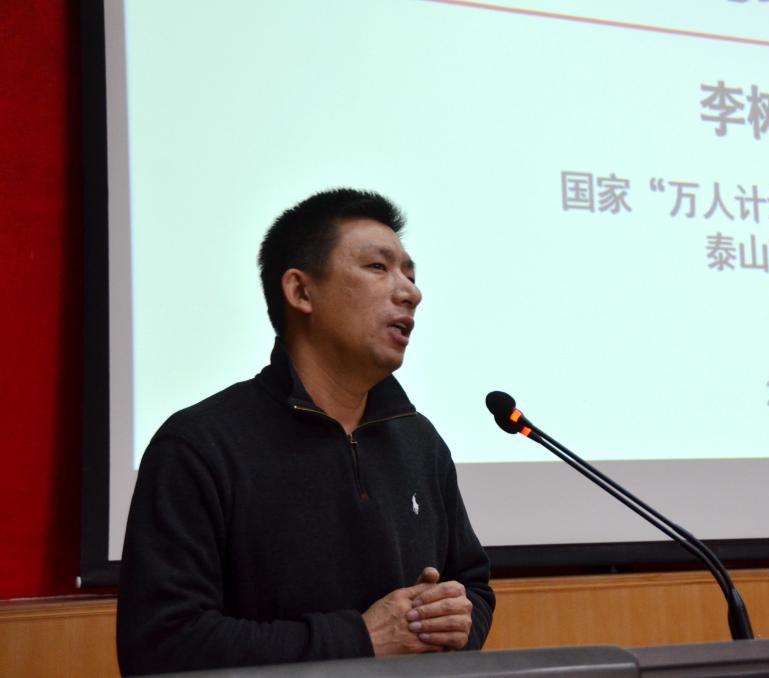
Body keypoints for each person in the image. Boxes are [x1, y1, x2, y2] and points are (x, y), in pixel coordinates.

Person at [116, 189, 495, 675]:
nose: (410, 293)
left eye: (411, 275)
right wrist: (361, 639)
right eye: (378, 267)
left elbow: (472, 587)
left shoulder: (419, 441)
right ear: (300, 291)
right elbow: (162, 645)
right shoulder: (199, 446)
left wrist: (456, 621)